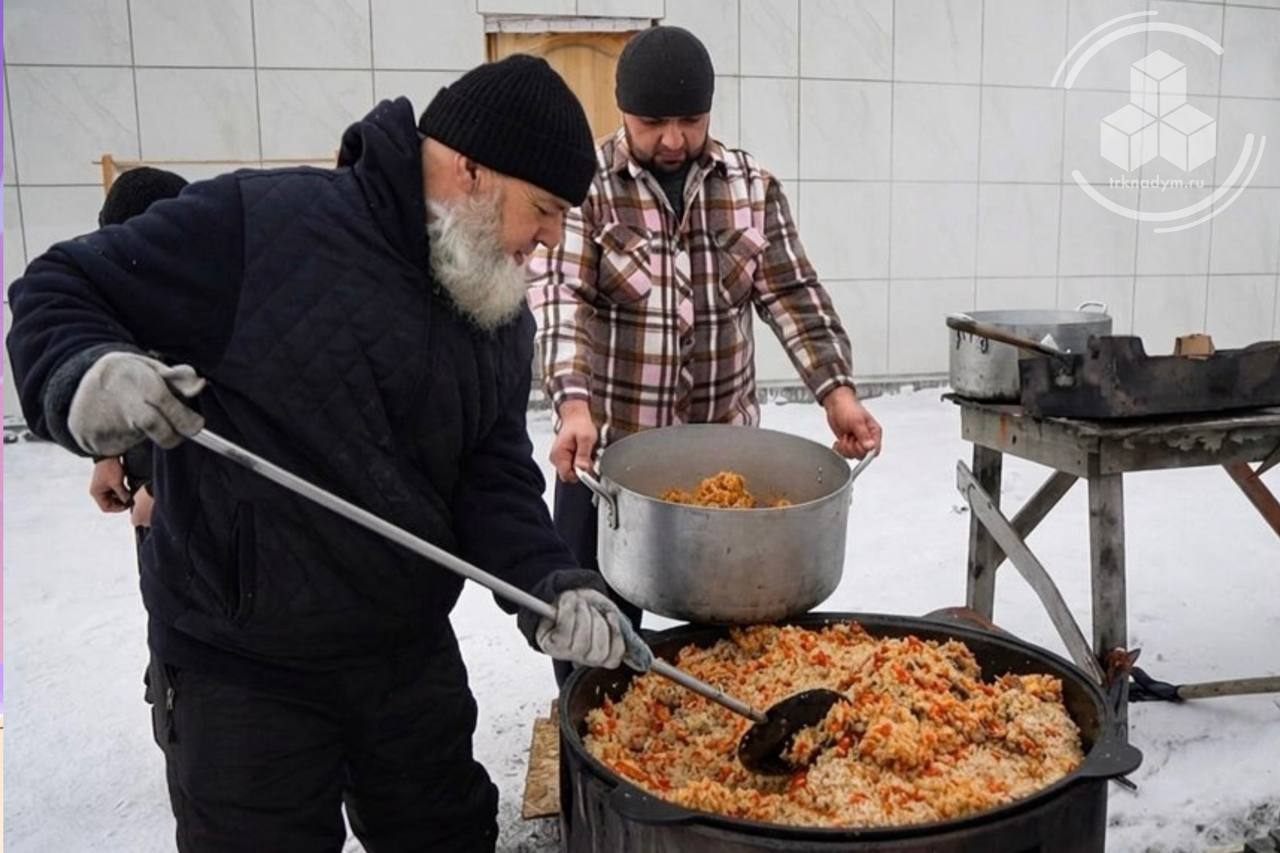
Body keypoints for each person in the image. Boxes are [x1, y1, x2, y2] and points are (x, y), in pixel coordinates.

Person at [7, 55, 644, 853]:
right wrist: (81, 373)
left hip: (405, 660)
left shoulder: (497, 312)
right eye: (545, 210)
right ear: (471, 169)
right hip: (244, 672)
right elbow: (61, 284)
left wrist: (552, 584)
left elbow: (493, 479)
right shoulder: (260, 224)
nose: (551, 240)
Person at [528, 26, 884, 681]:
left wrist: (837, 393)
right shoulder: (588, 186)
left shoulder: (750, 186)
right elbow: (560, 297)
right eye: (653, 124)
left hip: (725, 477)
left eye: (690, 122)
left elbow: (793, 294)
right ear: (623, 111)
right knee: (594, 650)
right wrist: (573, 405)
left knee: (733, 652)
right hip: (608, 464)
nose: (673, 140)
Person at [86, 167, 189, 536]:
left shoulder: (212, 307)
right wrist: (106, 454)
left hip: (207, 509)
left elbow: (235, 419)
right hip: (148, 501)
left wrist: (163, 491)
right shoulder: (123, 296)